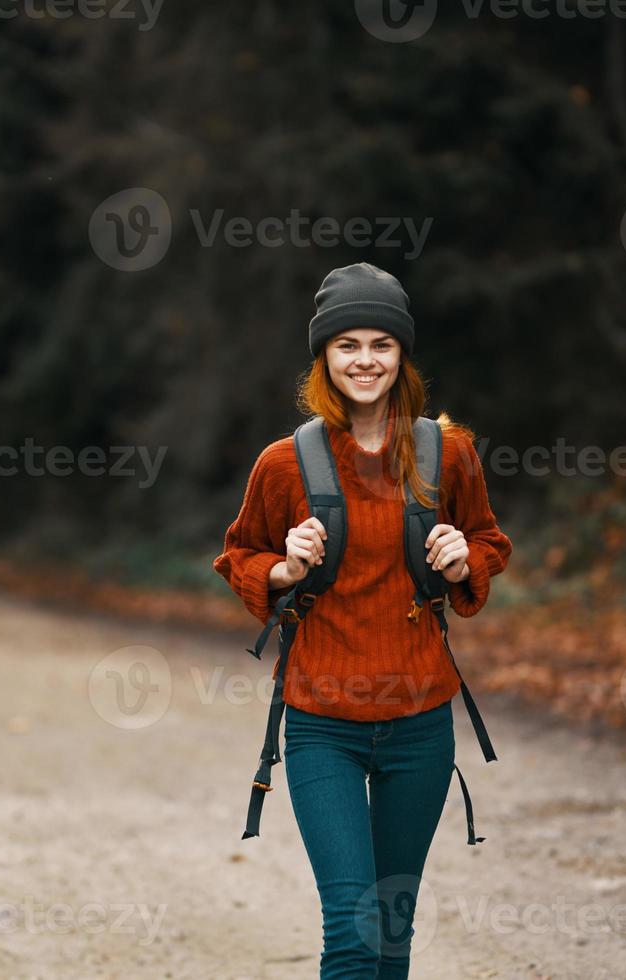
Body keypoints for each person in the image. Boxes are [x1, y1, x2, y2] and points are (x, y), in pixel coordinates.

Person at [212, 262, 513, 979]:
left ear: (402, 355)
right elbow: (238, 555)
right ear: (323, 358)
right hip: (322, 723)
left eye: (382, 343)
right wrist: (283, 568)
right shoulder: (285, 464)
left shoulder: (448, 454)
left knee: (391, 925)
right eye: (348, 345)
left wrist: (460, 555)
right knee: (352, 932)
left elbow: (491, 542)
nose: (366, 359)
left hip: (419, 721)